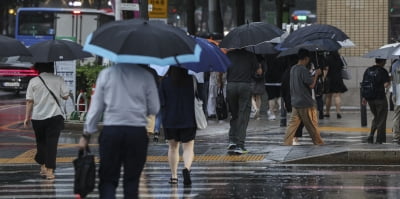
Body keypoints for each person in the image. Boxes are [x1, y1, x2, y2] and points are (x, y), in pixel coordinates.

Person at [79, 63, 160, 199]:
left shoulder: (106, 74)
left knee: (108, 180)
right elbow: (155, 108)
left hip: (112, 131)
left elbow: (96, 108)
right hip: (136, 132)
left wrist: (86, 133)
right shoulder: (146, 76)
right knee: (132, 181)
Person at [23, 62, 70, 180]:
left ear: (38, 68)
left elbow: (29, 101)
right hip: (55, 117)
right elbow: (65, 96)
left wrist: (27, 117)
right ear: (51, 67)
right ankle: (50, 171)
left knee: (41, 142)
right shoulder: (59, 79)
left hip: (38, 117)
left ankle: (43, 166)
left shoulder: (33, 81)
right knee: (52, 144)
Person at [159, 67, 197, 186]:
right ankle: (186, 168)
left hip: (170, 119)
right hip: (188, 118)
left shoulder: (165, 82)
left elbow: (161, 101)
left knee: (173, 147)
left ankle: (174, 176)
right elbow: (199, 97)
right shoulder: (192, 80)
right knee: (188, 147)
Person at [283, 49, 324, 146]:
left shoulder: (293, 68)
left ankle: (287, 142)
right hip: (305, 102)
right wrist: (317, 75)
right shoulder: (303, 69)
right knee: (312, 125)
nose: (308, 61)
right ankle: (318, 142)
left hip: (295, 102)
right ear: (305, 58)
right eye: (308, 59)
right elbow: (311, 85)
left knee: (292, 125)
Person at [226, 49, 259, 154]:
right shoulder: (250, 55)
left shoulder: (229, 55)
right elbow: (258, 72)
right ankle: (240, 144)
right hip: (244, 85)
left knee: (234, 114)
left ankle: (232, 140)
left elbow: (222, 70)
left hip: (230, 85)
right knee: (243, 115)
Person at [362, 58, 390, 144]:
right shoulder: (383, 71)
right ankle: (379, 139)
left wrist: (364, 97)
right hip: (380, 98)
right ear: (383, 62)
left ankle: (371, 135)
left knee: (376, 117)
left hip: (370, 99)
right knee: (381, 118)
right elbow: (385, 85)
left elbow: (364, 84)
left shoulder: (368, 70)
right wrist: (389, 81)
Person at [324, 51, 348, 119]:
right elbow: (342, 67)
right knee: (337, 96)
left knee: (328, 97)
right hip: (338, 78)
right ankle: (338, 112)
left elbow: (326, 69)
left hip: (330, 79)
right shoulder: (339, 58)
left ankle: (327, 113)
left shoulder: (327, 58)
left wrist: (324, 78)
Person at [391, 59, 400, 143]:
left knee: (397, 115)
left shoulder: (394, 64)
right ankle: (396, 135)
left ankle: (396, 135)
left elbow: (394, 81)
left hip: (396, 93)